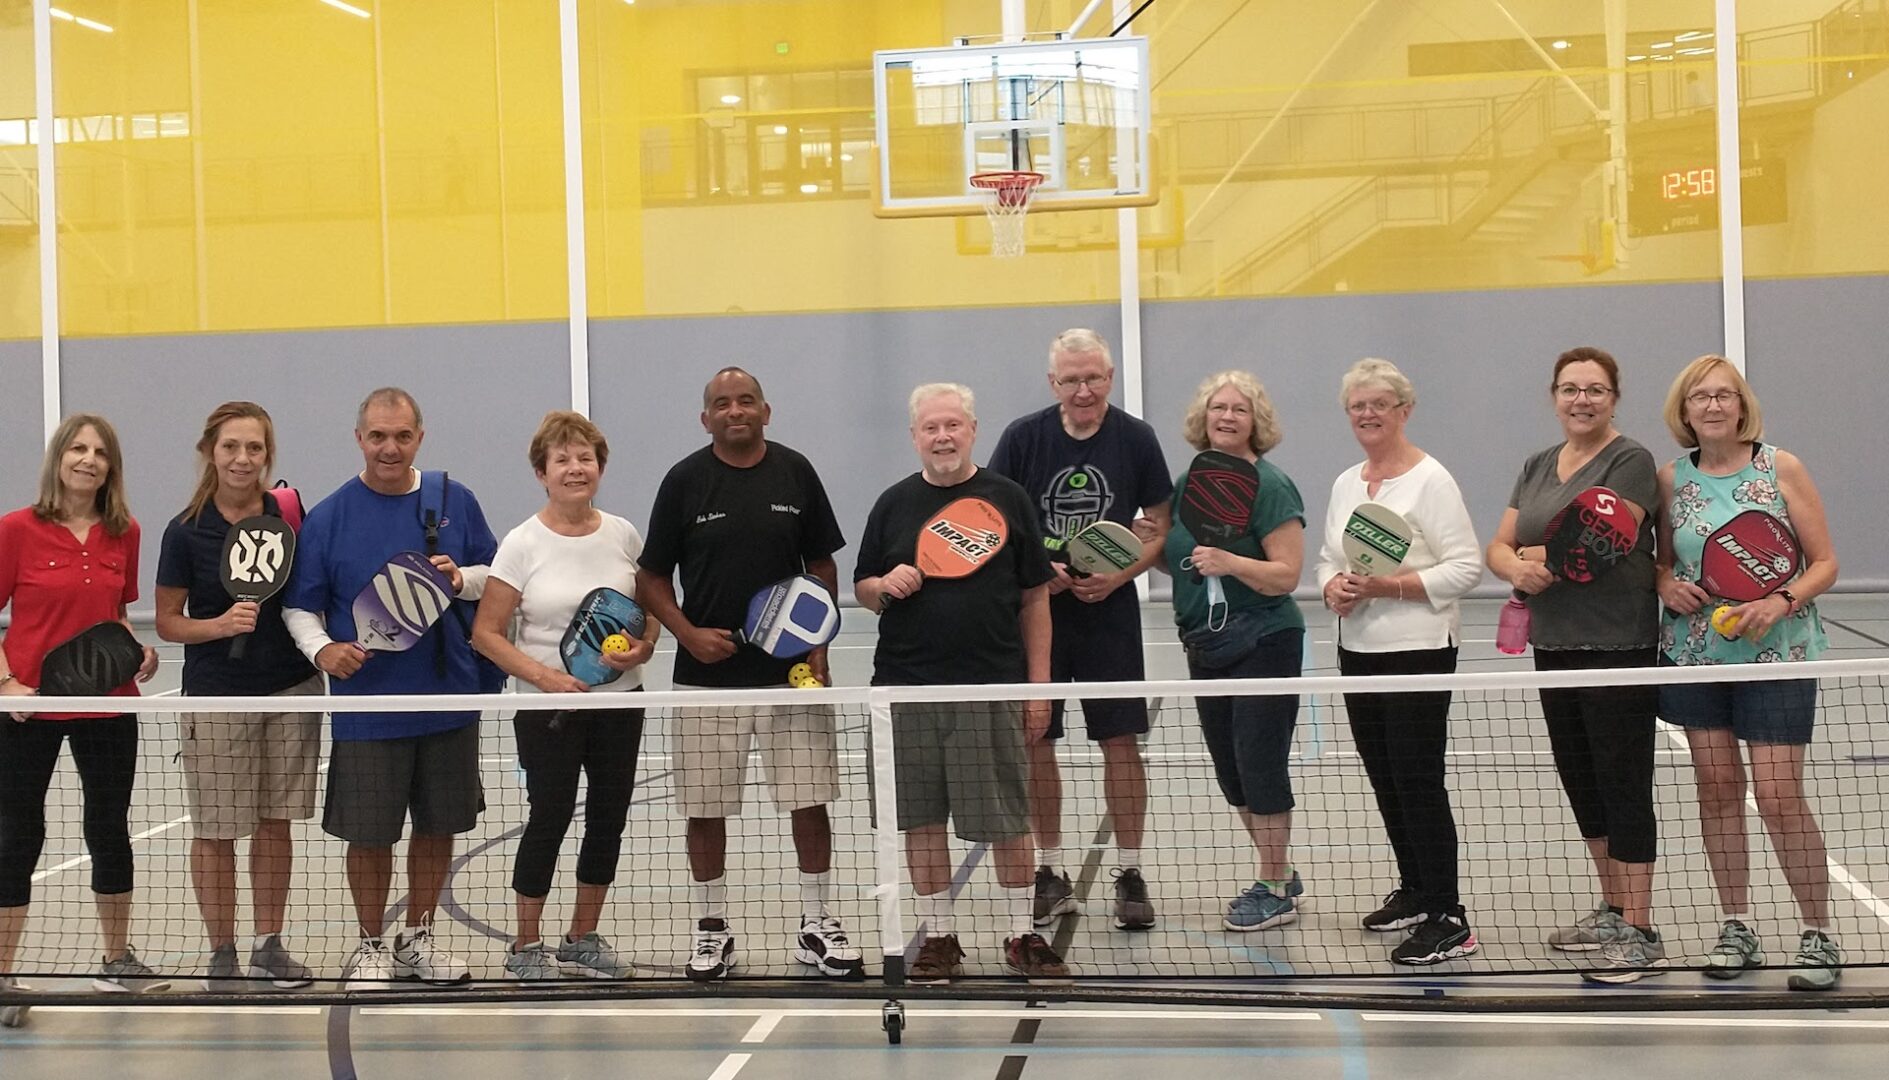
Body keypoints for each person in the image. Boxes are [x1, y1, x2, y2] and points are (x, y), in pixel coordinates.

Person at [636, 367, 860, 982]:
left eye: (746, 401)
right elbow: (651, 577)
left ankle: (818, 924)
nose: (735, 410)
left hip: (790, 676)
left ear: (766, 410)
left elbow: (821, 562)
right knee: (705, 809)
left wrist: (817, 644)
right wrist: (686, 634)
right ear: (705, 417)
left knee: (809, 800)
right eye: (721, 403)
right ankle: (712, 929)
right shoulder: (684, 482)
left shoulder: (795, 471)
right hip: (705, 679)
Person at [283, 387, 497, 989]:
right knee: (370, 835)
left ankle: (418, 938)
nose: (389, 447)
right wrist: (322, 649)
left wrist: (465, 578)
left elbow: (496, 579)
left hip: (447, 699)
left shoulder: (457, 502)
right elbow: (302, 608)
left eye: (402, 436)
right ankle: (372, 942)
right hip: (368, 708)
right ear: (359, 439)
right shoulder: (329, 517)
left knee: (437, 827)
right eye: (378, 436)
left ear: (419, 437)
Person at [854, 383, 1066, 982]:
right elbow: (863, 587)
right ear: (915, 436)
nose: (942, 436)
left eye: (953, 425)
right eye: (930, 428)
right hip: (903, 690)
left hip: (990, 688)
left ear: (972, 429)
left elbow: (1034, 599)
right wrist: (881, 586)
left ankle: (1022, 935)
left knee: (1005, 820)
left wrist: (1038, 686)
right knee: (921, 820)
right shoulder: (892, 504)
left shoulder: (1009, 498)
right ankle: (940, 937)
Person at [1653, 354, 1843, 991]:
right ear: (1684, 411)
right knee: (1717, 789)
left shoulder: (1780, 467)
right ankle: (1737, 924)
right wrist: (1666, 586)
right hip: (1696, 655)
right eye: (1700, 397)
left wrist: (1781, 601)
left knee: (1780, 795)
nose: (1712, 406)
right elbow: (1659, 565)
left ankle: (1818, 932)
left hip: (1778, 653)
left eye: (1724, 396)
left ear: (1742, 405)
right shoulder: (1668, 479)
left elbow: (1824, 564)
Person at [1485, 346, 1663, 983]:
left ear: (1614, 397)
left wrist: (1537, 559)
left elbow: (1603, 540)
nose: (1581, 399)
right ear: (1553, 396)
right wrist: (1516, 565)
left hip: (1619, 645)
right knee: (1581, 780)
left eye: (1594, 389)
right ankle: (1613, 907)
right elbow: (1498, 545)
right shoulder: (1537, 464)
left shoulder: (1631, 460)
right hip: (1553, 643)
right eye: (1569, 389)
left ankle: (1640, 929)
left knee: (1623, 784)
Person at [987, 328, 1171, 932]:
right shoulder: (1022, 438)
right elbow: (994, 522)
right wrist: (1043, 574)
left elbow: (1158, 525)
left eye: (1094, 377)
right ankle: (1050, 868)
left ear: (1110, 378)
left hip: (1109, 612)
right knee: (1037, 738)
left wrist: (1120, 576)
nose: (1084, 389)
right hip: (1039, 613)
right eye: (1072, 379)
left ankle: (1131, 870)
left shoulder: (1136, 439)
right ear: (1053, 383)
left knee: (1119, 741)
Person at [472, 411, 659, 981]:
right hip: (546, 709)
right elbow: (485, 633)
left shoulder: (623, 534)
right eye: (563, 460)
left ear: (599, 467)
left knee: (609, 817)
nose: (576, 469)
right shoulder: (522, 543)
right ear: (541, 472)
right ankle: (525, 945)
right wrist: (546, 677)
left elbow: (646, 617)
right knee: (548, 816)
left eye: (586, 459)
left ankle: (581, 937)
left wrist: (643, 649)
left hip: (619, 704)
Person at [1312, 360, 1483, 965]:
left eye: (1379, 404)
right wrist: (1332, 586)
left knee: (1418, 780)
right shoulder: (1346, 483)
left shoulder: (1431, 480)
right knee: (1385, 778)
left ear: (1404, 411)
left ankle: (1449, 916)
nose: (1367, 414)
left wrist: (1390, 587)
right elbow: (1329, 558)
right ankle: (1415, 890)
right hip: (1356, 651)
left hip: (1419, 651)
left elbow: (1466, 567)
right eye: (1357, 405)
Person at [154, 402, 322, 990]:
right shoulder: (185, 530)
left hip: (291, 689)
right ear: (210, 452)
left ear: (267, 455)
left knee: (276, 825)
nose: (242, 459)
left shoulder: (289, 517)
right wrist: (219, 626)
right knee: (218, 829)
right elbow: (168, 621)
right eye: (231, 447)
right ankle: (222, 952)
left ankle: (267, 945)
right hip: (217, 696)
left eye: (254, 448)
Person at [1, 414, 166, 1009]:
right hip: (27, 710)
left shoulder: (126, 532)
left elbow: (114, 618)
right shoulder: (16, 529)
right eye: (78, 448)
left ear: (110, 468)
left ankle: (117, 961)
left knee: (108, 828)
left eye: (100, 452)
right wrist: (7, 684)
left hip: (107, 707)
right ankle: (3, 978)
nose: (88, 459)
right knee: (17, 836)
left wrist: (137, 653)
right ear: (59, 458)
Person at [1158, 371, 1307, 933]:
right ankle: (1281, 871)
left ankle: (1274, 888)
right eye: (1217, 407)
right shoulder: (1188, 483)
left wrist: (1232, 562)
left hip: (1264, 638)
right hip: (1205, 643)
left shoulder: (1271, 486)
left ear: (1256, 422)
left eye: (1239, 410)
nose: (1226, 417)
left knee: (1260, 764)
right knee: (1231, 773)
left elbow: (1286, 574)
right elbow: (1170, 551)